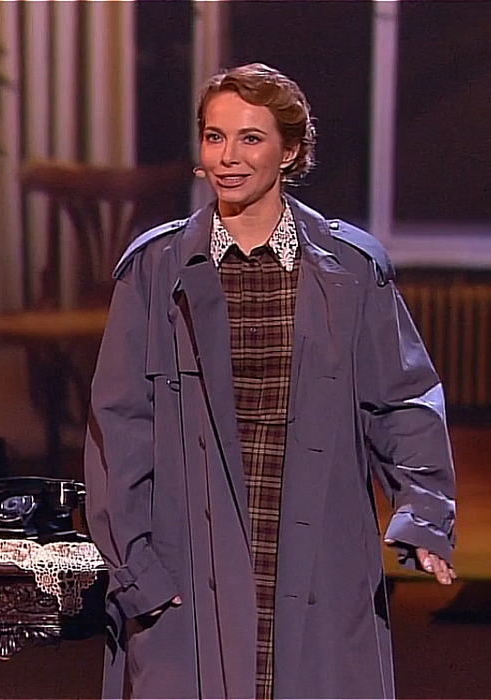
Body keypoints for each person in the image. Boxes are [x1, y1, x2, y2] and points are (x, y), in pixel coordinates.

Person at [83, 62, 457, 700]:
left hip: (315, 550)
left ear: (289, 151)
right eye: (215, 137)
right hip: (191, 558)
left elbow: (402, 401)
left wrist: (423, 512)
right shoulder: (152, 269)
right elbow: (119, 427)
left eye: (250, 138)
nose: (227, 157)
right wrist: (136, 566)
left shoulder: (352, 269)